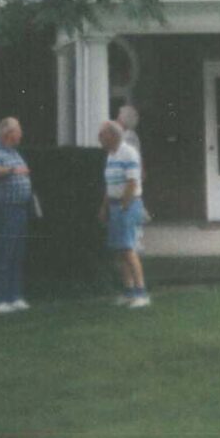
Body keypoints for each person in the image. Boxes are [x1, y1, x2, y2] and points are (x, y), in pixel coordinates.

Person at [0, 116, 32, 313]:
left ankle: (15, 296)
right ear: (8, 133)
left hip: (19, 208)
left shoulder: (15, 153)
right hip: (4, 208)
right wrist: (13, 170)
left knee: (17, 254)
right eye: (18, 130)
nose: (21, 134)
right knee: (3, 252)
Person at [97, 120, 150, 308]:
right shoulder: (111, 155)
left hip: (127, 205)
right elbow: (111, 185)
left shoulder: (129, 153)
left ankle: (141, 293)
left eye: (102, 134)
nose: (99, 137)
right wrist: (104, 207)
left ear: (112, 135)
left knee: (128, 249)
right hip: (114, 205)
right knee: (121, 251)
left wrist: (123, 206)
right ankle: (129, 292)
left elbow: (132, 182)